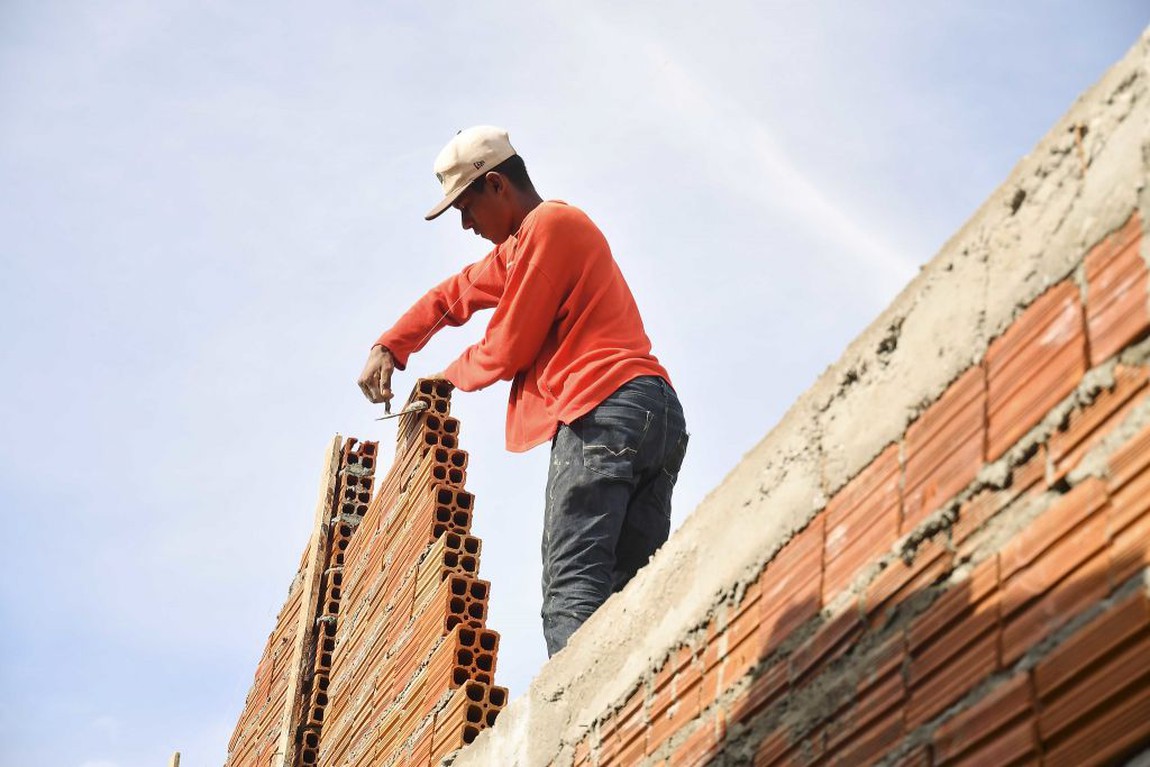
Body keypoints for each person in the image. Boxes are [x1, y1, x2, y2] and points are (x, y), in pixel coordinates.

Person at [357, 125, 688, 656]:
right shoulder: (523, 245)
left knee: (572, 590)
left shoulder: (551, 227)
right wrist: (391, 346)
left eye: (465, 208)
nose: (465, 224)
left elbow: (508, 343)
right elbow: (456, 293)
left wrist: (439, 383)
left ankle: (580, 730)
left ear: (496, 186)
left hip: (607, 408)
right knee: (629, 593)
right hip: (652, 414)